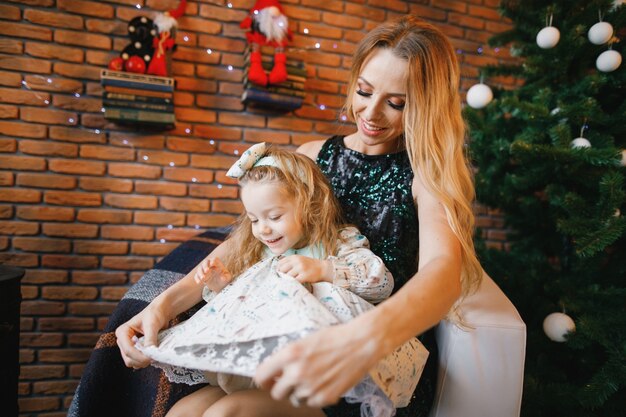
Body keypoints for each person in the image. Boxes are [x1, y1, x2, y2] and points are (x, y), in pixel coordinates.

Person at [72, 15, 482, 417]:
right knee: (184, 411)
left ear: (426, 106)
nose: (371, 113)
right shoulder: (313, 155)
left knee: (229, 413)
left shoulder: (426, 174)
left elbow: (443, 271)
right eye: (363, 91)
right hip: (288, 333)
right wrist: (161, 307)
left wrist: (362, 340)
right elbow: (246, 245)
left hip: (366, 362)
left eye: (396, 103)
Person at [134, 144, 428, 417]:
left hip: (310, 383)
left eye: (274, 216)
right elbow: (247, 306)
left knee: (226, 413)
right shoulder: (260, 254)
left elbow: (380, 283)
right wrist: (221, 286)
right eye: (253, 219)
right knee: (182, 412)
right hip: (252, 373)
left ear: (309, 205)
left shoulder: (335, 243)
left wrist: (323, 270)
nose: (263, 229)